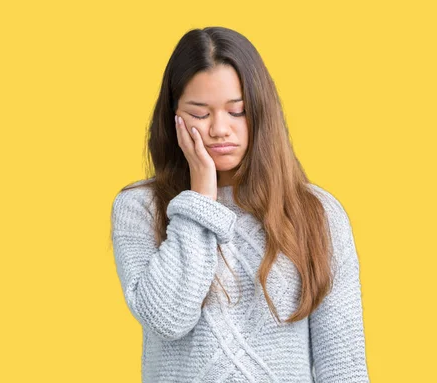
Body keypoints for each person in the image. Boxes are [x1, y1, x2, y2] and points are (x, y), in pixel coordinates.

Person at [109, 26, 370, 383]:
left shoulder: (317, 213)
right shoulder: (141, 207)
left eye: (238, 111)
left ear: (261, 111)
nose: (220, 129)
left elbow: (344, 366)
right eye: (200, 114)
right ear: (174, 117)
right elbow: (167, 319)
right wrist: (201, 196)